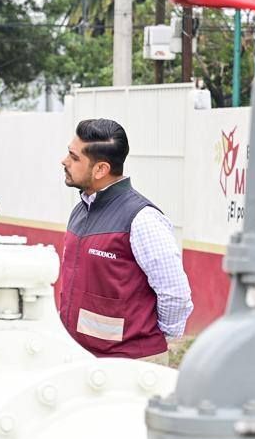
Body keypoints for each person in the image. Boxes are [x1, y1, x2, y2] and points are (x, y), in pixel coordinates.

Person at [59, 118, 192, 361]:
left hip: (132, 365)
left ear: (101, 169)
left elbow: (175, 294)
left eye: (74, 157)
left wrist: (154, 341)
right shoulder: (81, 210)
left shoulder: (142, 219)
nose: (64, 161)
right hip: (82, 358)